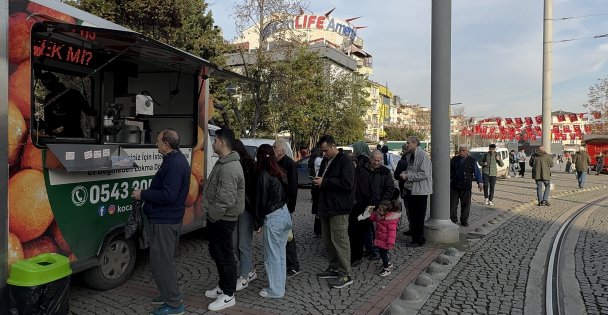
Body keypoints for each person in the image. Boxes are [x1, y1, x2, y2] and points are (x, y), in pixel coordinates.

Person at [131, 129, 190, 315]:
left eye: (158, 141)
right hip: (165, 218)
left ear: (166, 144)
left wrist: (143, 194)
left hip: (165, 220)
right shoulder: (174, 160)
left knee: (163, 263)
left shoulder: (175, 164)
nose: (156, 144)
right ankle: (168, 295)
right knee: (161, 261)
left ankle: (174, 304)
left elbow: (168, 195)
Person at [203, 128, 245, 312]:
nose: (212, 144)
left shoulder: (229, 166)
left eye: (214, 141)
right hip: (219, 218)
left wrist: (212, 215)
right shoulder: (224, 163)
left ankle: (229, 295)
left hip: (222, 219)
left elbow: (225, 199)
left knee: (225, 255)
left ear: (222, 142)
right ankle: (223, 286)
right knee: (218, 253)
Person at [312, 135, 356, 289]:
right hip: (326, 206)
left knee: (340, 240)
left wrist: (325, 182)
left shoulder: (345, 161)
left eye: (325, 150)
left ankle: (346, 274)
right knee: (328, 239)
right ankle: (333, 267)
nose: (323, 154)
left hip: (339, 208)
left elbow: (348, 183)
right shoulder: (326, 161)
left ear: (333, 146)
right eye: (322, 151)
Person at [253, 144, 293, 298]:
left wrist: (257, 223)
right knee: (280, 254)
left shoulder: (264, 174)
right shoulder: (280, 172)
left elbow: (261, 201)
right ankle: (279, 286)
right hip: (284, 214)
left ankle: (275, 290)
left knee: (272, 256)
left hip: (274, 217)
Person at [350, 150, 394, 266]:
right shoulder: (360, 169)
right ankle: (357, 256)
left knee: (374, 230)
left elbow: (389, 189)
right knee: (359, 231)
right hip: (361, 205)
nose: (377, 162)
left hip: (377, 206)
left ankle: (374, 251)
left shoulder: (385, 171)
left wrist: (381, 203)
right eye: (375, 160)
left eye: (379, 160)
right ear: (370, 158)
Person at [231, 140, 258, 292]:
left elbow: (254, 191)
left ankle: (244, 276)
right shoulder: (232, 163)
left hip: (247, 209)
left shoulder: (249, 165)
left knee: (243, 244)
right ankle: (249, 270)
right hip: (235, 208)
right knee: (235, 244)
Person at [273, 139, 301, 278]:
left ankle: (293, 265)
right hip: (278, 205)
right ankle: (286, 262)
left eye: (275, 147)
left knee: (288, 236)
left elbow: (293, 188)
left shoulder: (289, 164)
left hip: (286, 205)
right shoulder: (276, 163)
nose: (273, 149)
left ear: (282, 150)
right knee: (283, 235)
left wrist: (290, 207)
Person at [39, 72, 98, 137]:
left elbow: (48, 121)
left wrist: (48, 130)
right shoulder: (75, 94)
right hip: (75, 135)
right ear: (57, 80)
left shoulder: (48, 99)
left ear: (46, 86)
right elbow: (89, 111)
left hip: (57, 138)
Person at [399, 136, 433, 247]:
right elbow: (412, 169)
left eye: (408, 143)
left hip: (420, 191)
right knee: (413, 216)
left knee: (418, 216)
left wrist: (407, 176)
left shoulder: (423, 155)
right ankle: (415, 237)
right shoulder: (410, 155)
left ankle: (418, 240)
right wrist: (405, 173)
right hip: (411, 190)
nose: (406, 144)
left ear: (415, 144)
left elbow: (424, 173)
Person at [361, 200, 402, 276]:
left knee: (383, 255)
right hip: (380, 239)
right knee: (382, 253)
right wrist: (369, 212)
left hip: (385, 242)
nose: (378, 210)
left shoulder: (390, 220)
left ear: (386, 212)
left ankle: (386, 268)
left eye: (380, 210)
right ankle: (388, 263)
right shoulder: (379, 215)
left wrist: (390, 243)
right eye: (378, 209)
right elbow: (372, 217)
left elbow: (392, 233)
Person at [450, 144, 483, 227]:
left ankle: (464, 220)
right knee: (453, 204)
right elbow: (449, 170)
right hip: (455, 185)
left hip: (466, 186)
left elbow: (477, 172)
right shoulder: (454, 159)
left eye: (463, 150)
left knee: (466, 204)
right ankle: (452, 219)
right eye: (460, 150)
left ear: (467, 151)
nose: (461, 152)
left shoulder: (472, 160)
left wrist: (480, 182)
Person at [394, 144, 411, 236]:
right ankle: (414, 229)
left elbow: (396, 175)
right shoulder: (415, 159)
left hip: (405, 188)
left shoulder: (403, 161)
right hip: (416, 189)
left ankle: (412, 228)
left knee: (409, 209)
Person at [308, 146, 323, 237]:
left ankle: (317, 231)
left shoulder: (312, 160)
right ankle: (319, 230)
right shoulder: (318, 160)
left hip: (315, 187)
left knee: (317, 210)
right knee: (319, 210)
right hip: (319, 186)